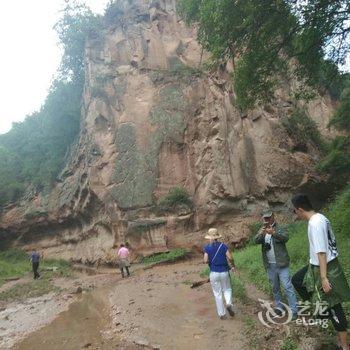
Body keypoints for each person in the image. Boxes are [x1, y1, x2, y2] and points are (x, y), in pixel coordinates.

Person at [291, 194, 350, 350]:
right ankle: (322, 311)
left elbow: (322, 252)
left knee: (333, 305)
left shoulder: (315, 223)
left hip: (326, 268)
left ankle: (344, 346)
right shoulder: (320, 218)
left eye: (295, 211)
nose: (295, 214)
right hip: (317, 265)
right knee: (297, 280)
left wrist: (324, 278)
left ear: (300, 209)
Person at [254, 209, 298, 320]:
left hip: (282, 263)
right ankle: (279, 307)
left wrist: (273, 233)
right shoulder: (262, 229)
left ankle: (294, 310)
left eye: (269, 217)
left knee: (287, 286)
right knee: (275, 288)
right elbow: (256, 240)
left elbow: (285, 238)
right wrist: (262, 233)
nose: (267, 220)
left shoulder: (280, 228)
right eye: (265, 218)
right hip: (270, 265)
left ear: (273, 216)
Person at [204, 228, 237, 319]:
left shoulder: (207, 247)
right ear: (217, 237)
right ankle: (229, 303)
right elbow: (230, 257)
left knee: (217, 293)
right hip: (224, 272)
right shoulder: (223, 246)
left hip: (214, 273)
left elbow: (205, 260)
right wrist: (233, 266)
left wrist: (210, 261)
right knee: (227, 289)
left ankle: (222, 314)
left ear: (209, 237)